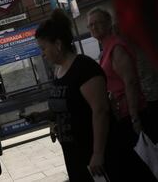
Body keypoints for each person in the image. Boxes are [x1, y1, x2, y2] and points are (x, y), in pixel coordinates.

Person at [34, 9, 112, 182]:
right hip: (74, 155)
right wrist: (42, 117)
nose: (42, 53)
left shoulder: (84, 68)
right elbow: (67, 105)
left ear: (58, 45)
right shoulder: (58, 71)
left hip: (94, 154)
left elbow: (100, 111)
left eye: (43, 48)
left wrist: (98, 153)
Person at [87, 7, 158, 181]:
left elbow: (130, 82)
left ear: (108, 23)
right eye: (90, 25)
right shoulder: (106, 49)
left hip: (131, 114)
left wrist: (134, 117)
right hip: (122, 114)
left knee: (141, 167)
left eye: (98, 23)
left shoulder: (116, 47)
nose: (94, 27)